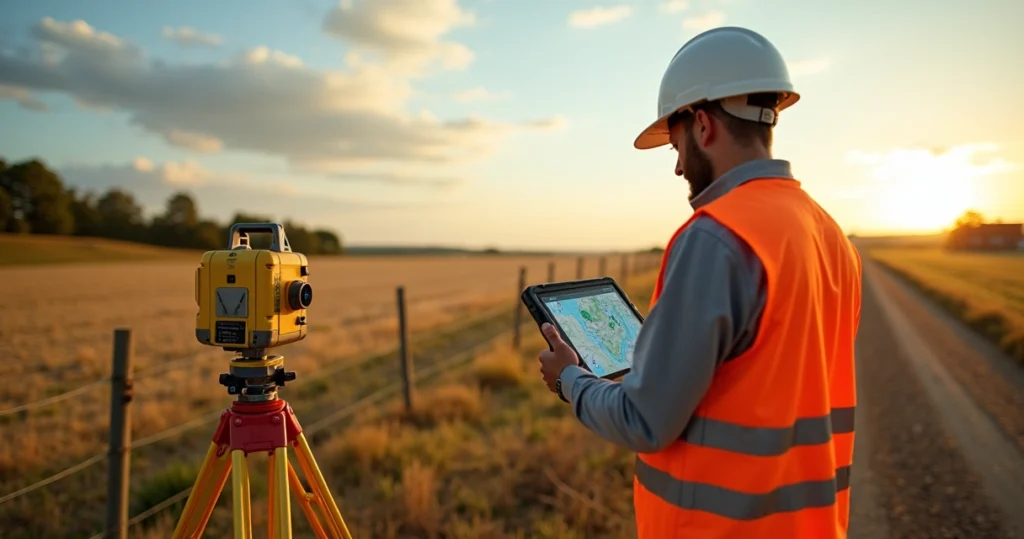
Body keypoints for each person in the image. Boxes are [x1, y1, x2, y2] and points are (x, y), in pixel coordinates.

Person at [536, 26, 862, 538]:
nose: (678, 165)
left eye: (676, 144)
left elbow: (644, 420)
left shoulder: (716, 238)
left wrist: (569, 380)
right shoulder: (827, 232)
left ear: (703, 125)